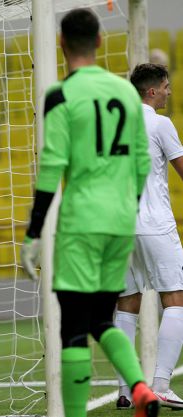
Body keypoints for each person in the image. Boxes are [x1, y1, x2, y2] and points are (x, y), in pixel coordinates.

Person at [19, 8, 158, 417]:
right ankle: (141, 388)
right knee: (102, 318)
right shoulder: (127, 94)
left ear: (61, 43)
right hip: (120, 221)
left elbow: (51, 168)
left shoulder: (61, 95)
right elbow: (141, 162)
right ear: (100, 41)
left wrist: (33, 233)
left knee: (73, 330)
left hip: (81, 223)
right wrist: (124, 210)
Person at [115, 63, 183, 410]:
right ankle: (160, 385)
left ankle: (126, 389)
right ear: (152, 91)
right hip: (154, 224)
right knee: (176, 299)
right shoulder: (160, 124)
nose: (169, 92)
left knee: (128, 301)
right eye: (166, 87)